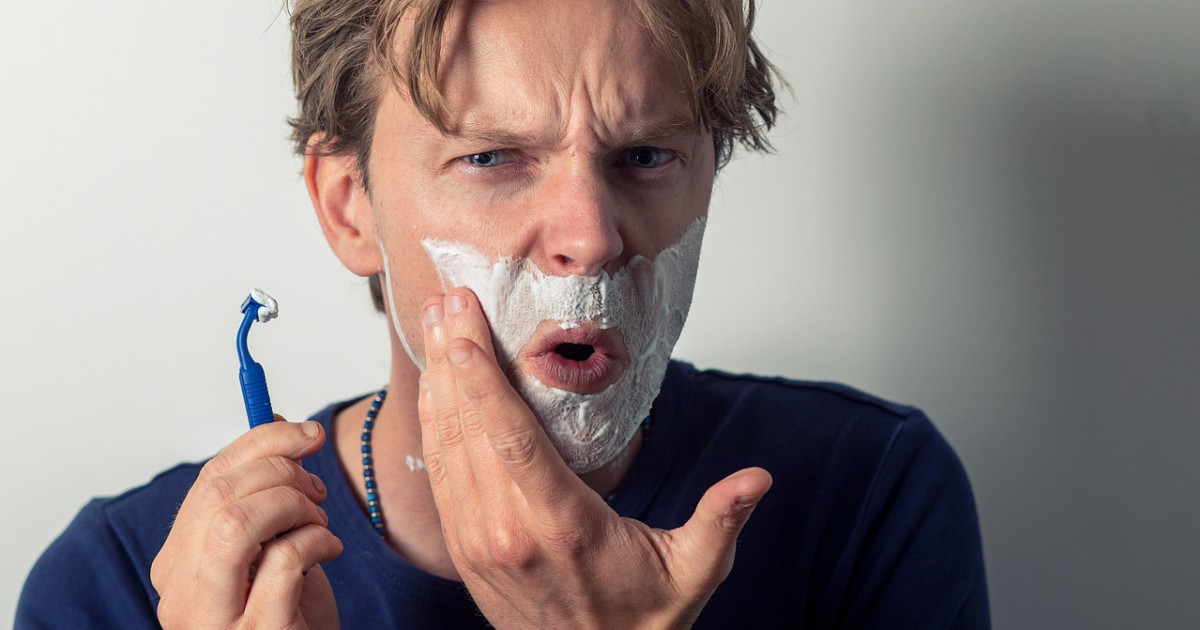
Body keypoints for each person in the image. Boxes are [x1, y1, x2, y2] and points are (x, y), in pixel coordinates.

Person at [17, 0, 990, 627]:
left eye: (646, 156)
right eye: (490, 158)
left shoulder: (863, 494)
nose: (590, 237)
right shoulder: (133, 582)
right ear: (349, 207)